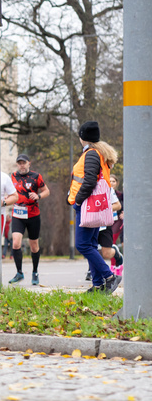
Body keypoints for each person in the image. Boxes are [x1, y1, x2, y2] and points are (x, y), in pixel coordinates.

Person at [68, 121, 121, 293]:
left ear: (82, 137)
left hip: (87, 205)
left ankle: (109, 276)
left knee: (83, 245)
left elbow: (90, 180)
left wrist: (78, 200)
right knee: (90, 245)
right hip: (93, 205)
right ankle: (98, 284)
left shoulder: (91, 154)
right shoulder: (98, 153)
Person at [8, 154, 50, 286]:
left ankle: (35, 272)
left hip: (33, 215)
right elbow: (8, 193)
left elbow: (46, 191)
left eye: (24, 163)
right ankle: (19, 272)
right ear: (17, 164)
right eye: (19, 163)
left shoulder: (36, 176)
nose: (22, 165)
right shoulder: (12, 176)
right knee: (16, 243)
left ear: (28, 163)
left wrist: (38, 196)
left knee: (34, 246)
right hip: (18, 214)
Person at [110, 175, 124, 245]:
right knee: (106, 240)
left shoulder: (120, 195)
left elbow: (127, 204)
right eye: (110, 181)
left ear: (117, 183)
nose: (111, 183)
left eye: (113, 181)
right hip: (105, 219)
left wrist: (124, 212)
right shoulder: (103, 194)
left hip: (117, 219)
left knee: (112, 239)